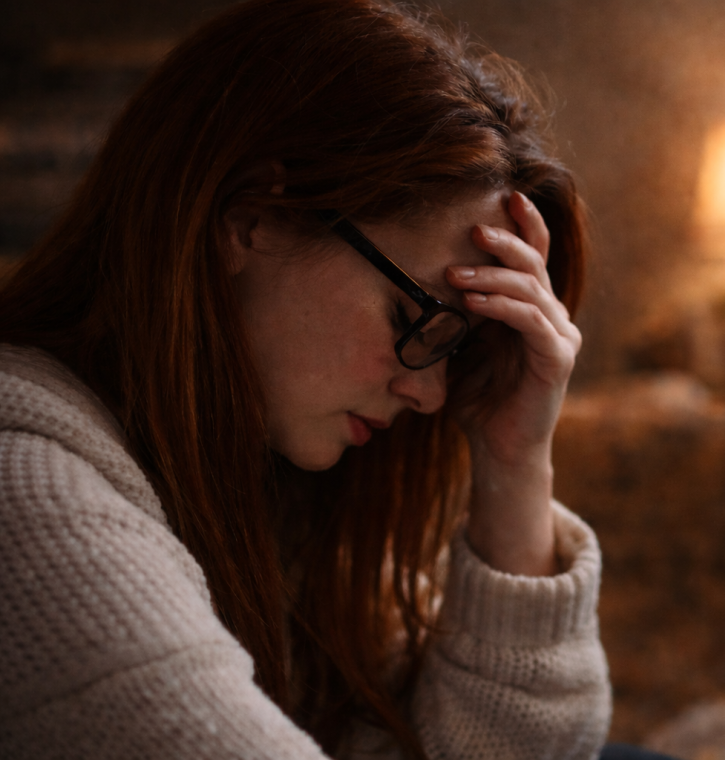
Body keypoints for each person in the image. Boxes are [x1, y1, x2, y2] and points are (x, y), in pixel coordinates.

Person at [0, 0, 614, 757]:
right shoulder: (28, 500)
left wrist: (516, 461)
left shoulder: (259, 484)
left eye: (455, 351)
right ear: (251, 219)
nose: (430, 396)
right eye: (416, 319)